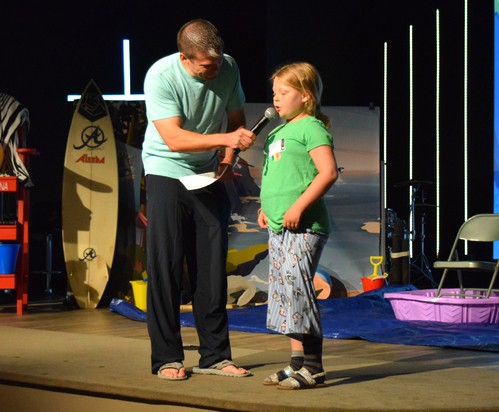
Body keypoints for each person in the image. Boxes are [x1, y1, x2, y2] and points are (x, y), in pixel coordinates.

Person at [142, 19, 255, 381]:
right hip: (165, 169)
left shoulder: (228, 66)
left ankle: (215, 356)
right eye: (207, 66)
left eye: (217, 63)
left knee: (211, 265)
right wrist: (225, 141)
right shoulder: (161, 77)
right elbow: (174, 139)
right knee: (166, 265)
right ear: (185, 59)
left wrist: (228, 159)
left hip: (207, 172)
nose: (215, 70)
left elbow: (236, 119)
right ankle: (166, 357)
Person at [257, 62, 338, 389]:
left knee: (299, 290)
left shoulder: (311, 128)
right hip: (278, 226)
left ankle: (314, 367)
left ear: (305, 96)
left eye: (284, 92)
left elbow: (327, 172)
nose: (276, 98)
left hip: (304, 226)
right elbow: (276, 176)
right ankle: (296, 364)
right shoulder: (276, 132)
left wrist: (298, 206)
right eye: (274, 93)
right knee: (285, 293)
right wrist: (265, 207)